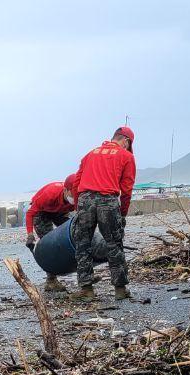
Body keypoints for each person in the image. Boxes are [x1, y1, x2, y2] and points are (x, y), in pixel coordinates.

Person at [71, 125, 136, 301]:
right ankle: (120, 290)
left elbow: (76, 183)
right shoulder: (127, 156)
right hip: (108, 201)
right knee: (114, 244)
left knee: (83, 244)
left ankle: (87, 290)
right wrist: (122, 214)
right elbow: (127, 189)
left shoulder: (90, 154)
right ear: (126, 141)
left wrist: (78, 206)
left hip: (86, 200)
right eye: (129, 145)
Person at [24, 172, 80, 292]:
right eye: (73, 194)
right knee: (49, 245)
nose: (75, 198)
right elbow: (30, 213)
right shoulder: (50, 194)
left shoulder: (78, 197)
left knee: (77, 234)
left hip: (60, 211)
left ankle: (84, 274)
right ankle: (51, 281)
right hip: (42, 211)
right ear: (66, 190)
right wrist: (30, 235)